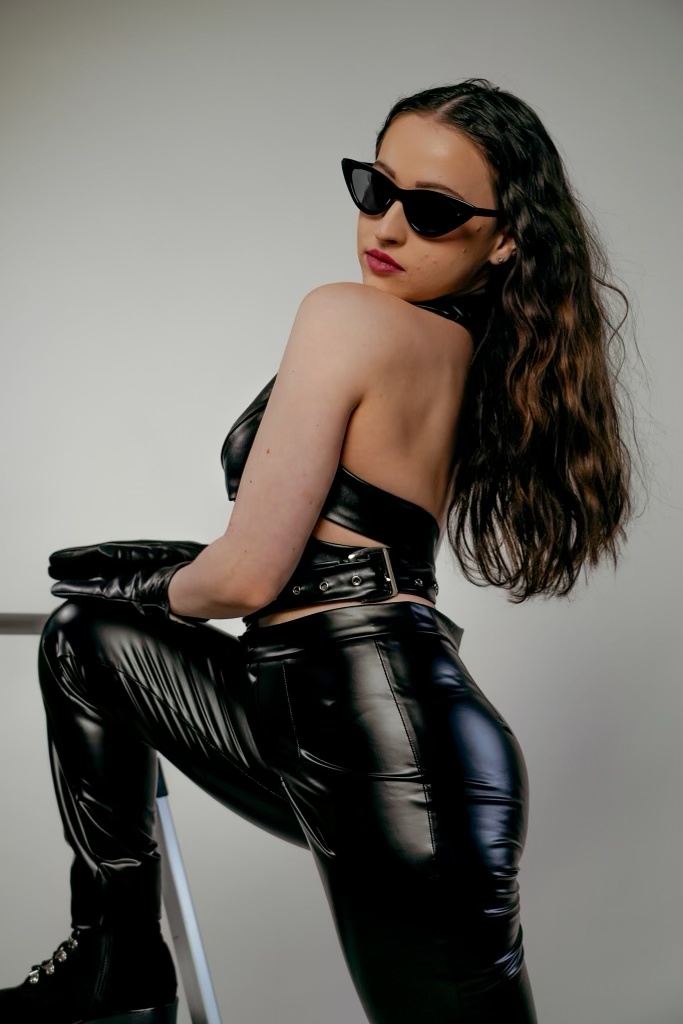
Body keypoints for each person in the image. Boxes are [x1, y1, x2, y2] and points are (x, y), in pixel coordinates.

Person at [0, 77, 636, 1024]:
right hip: (305, 712)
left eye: (431, 212)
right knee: (84, 644)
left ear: (505, 238)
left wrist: (149, 579)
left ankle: (120, 968)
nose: (387, 227)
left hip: (388, 745)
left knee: (92, 624)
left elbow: (247, 575)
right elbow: (306, 549)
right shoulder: (469, 353)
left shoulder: (349, 317)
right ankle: (117, 962)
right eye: (375, 190)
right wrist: (155, 585)